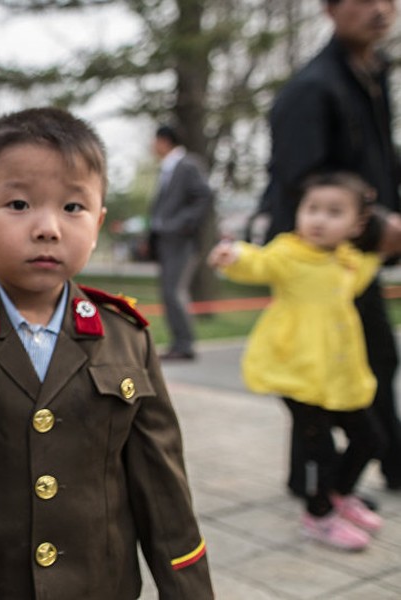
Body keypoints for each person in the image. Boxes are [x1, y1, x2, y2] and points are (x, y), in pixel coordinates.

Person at [0, 108, 212, 598]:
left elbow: (164, 491)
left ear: (97, 223)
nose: (48, 227)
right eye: (18, 204)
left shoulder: (125, 336)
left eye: (73, 208)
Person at [209, 173, 398, 550]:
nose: (319, 220)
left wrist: (384, 246)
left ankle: (340, 496)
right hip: (296, 371)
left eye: (334, 212)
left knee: (370, 438)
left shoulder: (347, 261)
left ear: (357, 224)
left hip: (338, 375)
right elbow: (259, 263)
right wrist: (235, 256)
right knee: (320, 451)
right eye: (311, 209)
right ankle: (319, 516)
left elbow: (368, 266)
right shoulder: (289, 253)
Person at [262, 0, 401, 494]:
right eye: (365, 0)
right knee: (340, 364)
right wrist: (375, 224)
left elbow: (381, 161)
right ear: (331, 9)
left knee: (361, 360)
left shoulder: (373, 74)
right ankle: (340, 480)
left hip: (354, 252)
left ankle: (317, 478)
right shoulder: (311, 88)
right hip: (316, 262)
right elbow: (302, 183)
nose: (381, 10)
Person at [148, 124, 214, 361]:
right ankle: (179, 343)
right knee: (168, 292)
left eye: (154, 141)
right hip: (166, 240)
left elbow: (204, 195)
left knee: (174, 291)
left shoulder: (187, 165)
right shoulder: (167, 168)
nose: (152, 146)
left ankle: (184, 345)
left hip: (181, 240)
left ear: (165, 141)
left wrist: (180, 223)